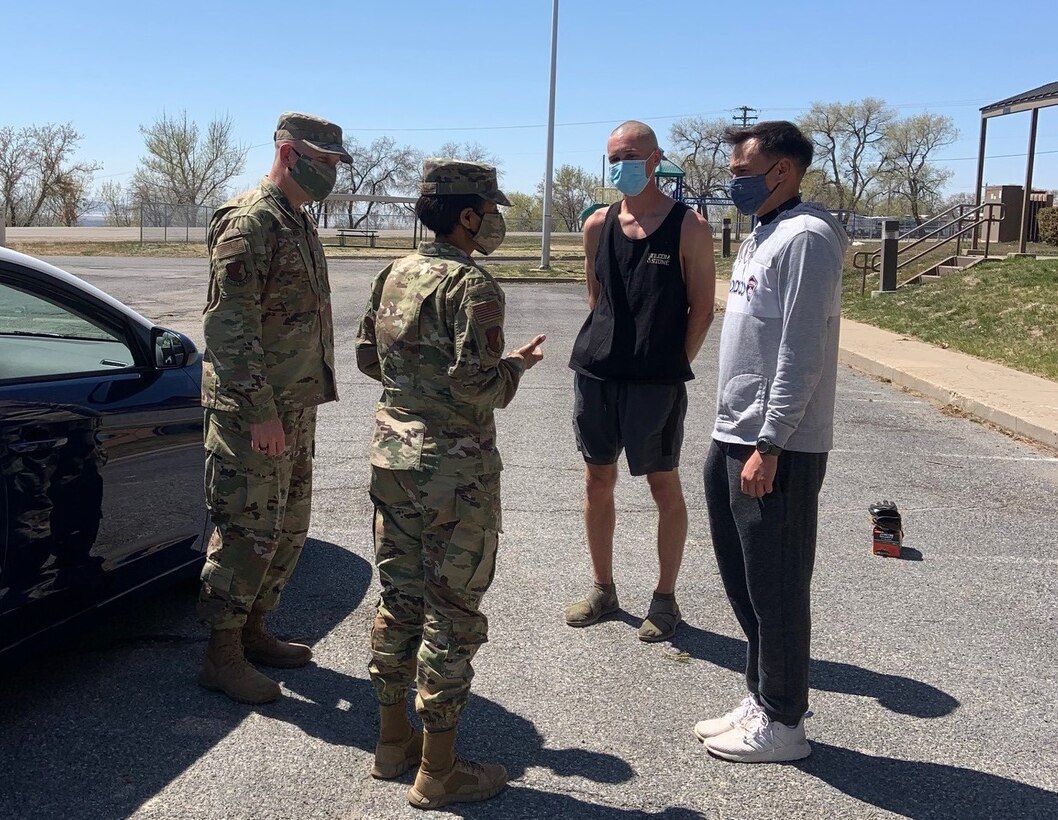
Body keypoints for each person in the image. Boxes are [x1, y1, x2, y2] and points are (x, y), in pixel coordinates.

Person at [355, 159, 546, 810]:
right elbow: (478, 384)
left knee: (399, 599)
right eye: (488, 209)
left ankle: (390, 744)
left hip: (392, 459)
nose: (492, 220)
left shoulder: (394, 272)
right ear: (467, 215)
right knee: (452, 615)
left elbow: (363, 357)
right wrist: (515, 368)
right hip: (454, 473)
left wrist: (414, 385)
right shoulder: (474, 284)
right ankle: (438, 771)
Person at [694, 121, 847, 762]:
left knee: (777, 584)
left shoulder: (807, 237)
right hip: (734, 430)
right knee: (746, 580)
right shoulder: (763, 234)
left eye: (741, 168)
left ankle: (785, 724)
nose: (733, 177)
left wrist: (772, 442)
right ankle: (761, 695)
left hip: (773, 443)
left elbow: (800, 352)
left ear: (781, 169)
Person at [197, 112, 351, 704]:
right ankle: (222, 654)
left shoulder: (298, 220)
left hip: (293, 405)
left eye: (336, 162)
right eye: (323, 160)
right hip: (251, 411)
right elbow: (228, 325)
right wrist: (259, 408)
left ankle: (256, 630)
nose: (330, 172)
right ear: (288, 153)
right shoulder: (250, 222)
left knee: (287, 527)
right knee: (247, 528)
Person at [564, 120, 716, 642]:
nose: (618, 167)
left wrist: (670, 365)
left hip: (656, 385)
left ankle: (665, 596)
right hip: (597, 376)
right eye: (612, 158)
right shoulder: (597, 224)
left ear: (654, 160)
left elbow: (701, 311)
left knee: (662, 485)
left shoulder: (689, 227)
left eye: (628, 156)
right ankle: (604, 589)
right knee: (597, 481)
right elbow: (596, 297)